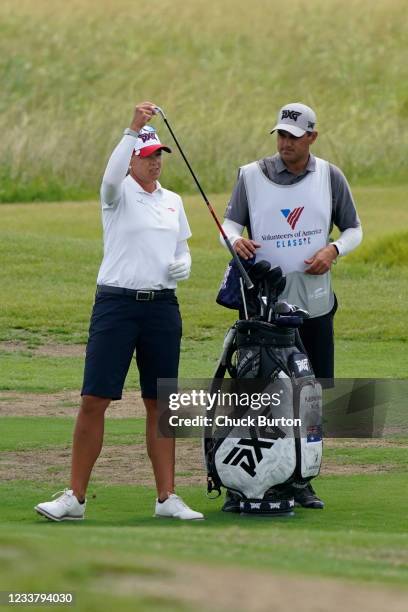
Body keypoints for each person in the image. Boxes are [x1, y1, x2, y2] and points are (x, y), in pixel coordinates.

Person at [35, 101, 203, 521]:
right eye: (147, 157)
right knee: (95, 398)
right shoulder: (116, 194)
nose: (155, 164)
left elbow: (181, 247)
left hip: (162, 307)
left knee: (161, 402)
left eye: (158, 156)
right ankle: (74, 497)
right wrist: (133, 128)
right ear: (132, 159)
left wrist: (185, 264)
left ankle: (167, 498)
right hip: (116, 304)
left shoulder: (174, 201)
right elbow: (110, 177)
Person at [220, 102, 362, 510]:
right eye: (280, 135)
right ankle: (246, 479)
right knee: (257, 397)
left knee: (311, 397)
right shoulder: (250, 176)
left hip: (314, 307)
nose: (285, 143)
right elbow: (229, 227)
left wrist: (334, 249)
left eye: (293, 137)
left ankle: (301, 479)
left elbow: (354, 229)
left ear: (312, 138)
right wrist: (234, 241)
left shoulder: (330, 176)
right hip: (263, 313)